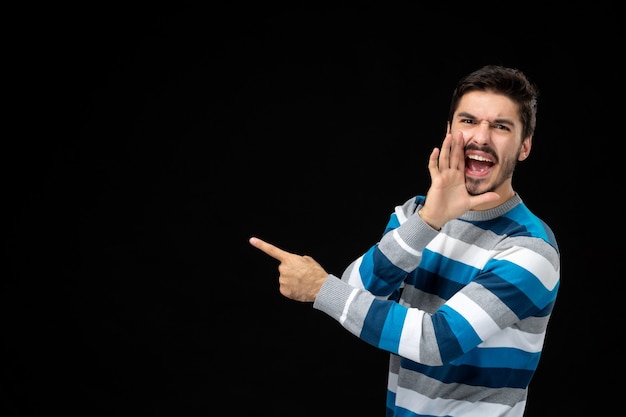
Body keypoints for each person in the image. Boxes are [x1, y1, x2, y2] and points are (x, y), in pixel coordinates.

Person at [249, 65, 560, 417]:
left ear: (525, 146)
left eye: (501, 127)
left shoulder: (531, 249)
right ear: (449, 131)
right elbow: (356, 289)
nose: (481, 138)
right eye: (469, 121)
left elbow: (436, 341)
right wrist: (430, 221)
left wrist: (320, 288)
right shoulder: (415, 214)